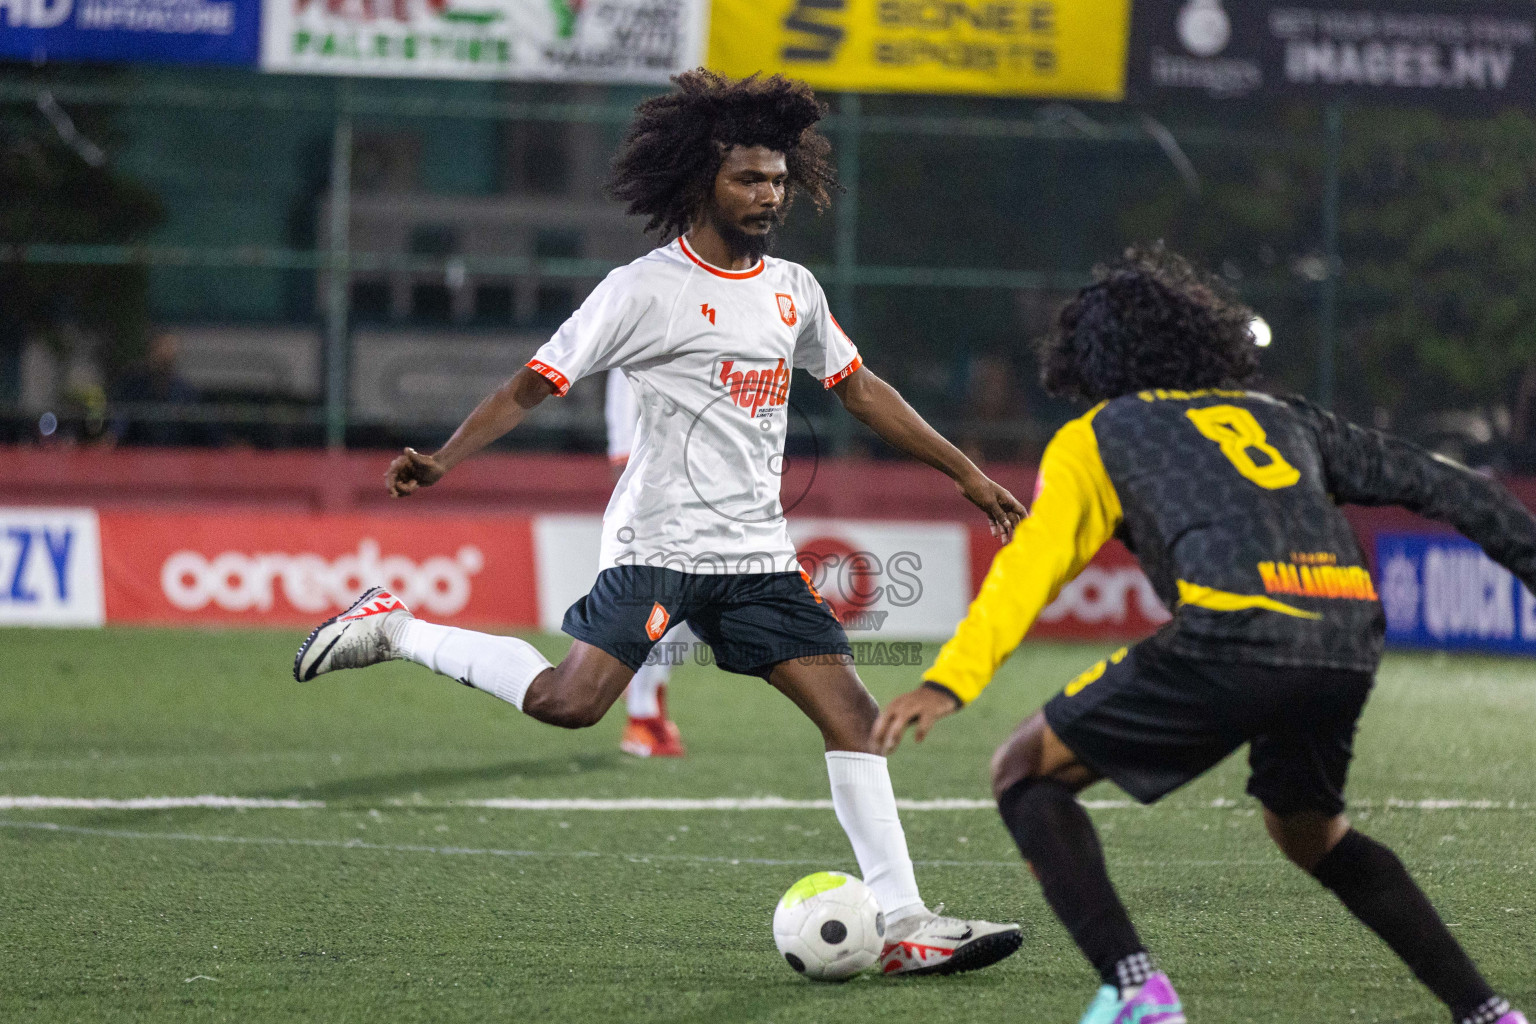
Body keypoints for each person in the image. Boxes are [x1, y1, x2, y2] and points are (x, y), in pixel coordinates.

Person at [294, 70, 1029, 977]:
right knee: (570, 704)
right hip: (660, 546)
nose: (768, 195)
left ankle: (906, 920)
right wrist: (444, 458)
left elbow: (860, 388)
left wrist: (965, 473)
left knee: (853, 714)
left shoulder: (793, 289)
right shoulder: (643, 290)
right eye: (748, 180)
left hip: (757, 556)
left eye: (777, 179)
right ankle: (396, 628)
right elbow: (537, 380)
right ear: (700, 182)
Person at [873, 246, 1533, 1024]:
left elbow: (1032, 568)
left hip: (1233, 636)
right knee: (1311, 832)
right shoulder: (1287, 418)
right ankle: (1487, 1012)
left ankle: (1136, 993)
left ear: (1091, 362)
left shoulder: (1101, 433)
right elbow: (1453, 486)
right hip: (1346, 638)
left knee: (1024, 773)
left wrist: (952, 679)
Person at [606, 368, 686, 758]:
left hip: (712, 473)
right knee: (665, 592)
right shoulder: (654, 310)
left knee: (701, 602)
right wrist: (623, 450)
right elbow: (623, 376)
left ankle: (647, 687)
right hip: (659, 474)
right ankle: (642, 715)